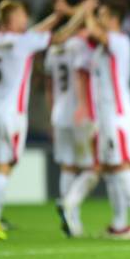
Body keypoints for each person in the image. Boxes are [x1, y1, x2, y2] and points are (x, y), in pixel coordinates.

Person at [0, 0, 94, 240]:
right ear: (11, 19)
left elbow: (33, 33)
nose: (25, 18)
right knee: (4, 166)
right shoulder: (22, 42)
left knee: (2, 165)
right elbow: (59, 37)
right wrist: (80, 14)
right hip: (11, 114)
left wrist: (58, 15)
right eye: (21, 14)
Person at [73, 0, 130, 240]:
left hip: (118, 116)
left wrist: (85, 11)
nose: (98, 18)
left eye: (102, 14)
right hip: (105, 119)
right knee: (111, 170)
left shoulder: (120, 41)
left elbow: (93, 30)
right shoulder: (102, 48)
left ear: (113, 19)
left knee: (122, 166)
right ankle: (119, 223)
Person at [45, 25, 98, 237]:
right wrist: (85, 108)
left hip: (59, 113)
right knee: (92, 167)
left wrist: (51, 115)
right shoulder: (79, 45)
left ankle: (72, 222)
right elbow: (82, 76)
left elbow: (49, 87)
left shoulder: (53, 50)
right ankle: (69, 207)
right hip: (79, 111)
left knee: (67, 167)